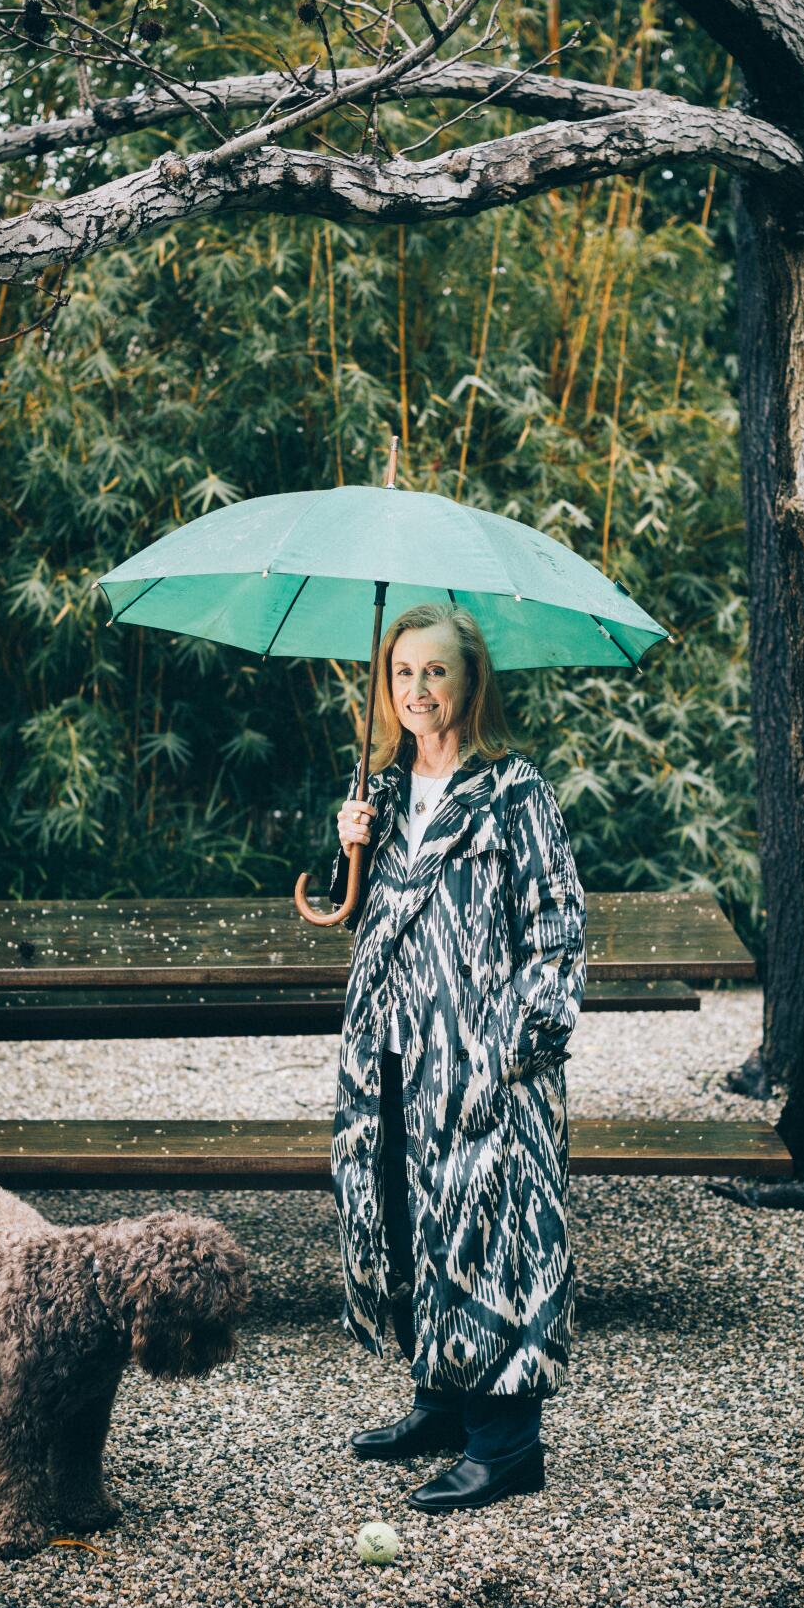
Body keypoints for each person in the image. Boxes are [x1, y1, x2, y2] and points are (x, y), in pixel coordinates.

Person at [328, 601, 587, 1513]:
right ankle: (439, 1402)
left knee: (492, 1232)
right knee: (405, 1217)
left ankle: (506, 1444)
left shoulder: (514, 789)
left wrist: (516, 1053)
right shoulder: (388, 791)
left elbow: (558, 927)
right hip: (392, 1051)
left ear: (471, 682)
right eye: (403, 673)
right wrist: (351, 852)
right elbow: (371, 920)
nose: (417, 689)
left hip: (484, 1060)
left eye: (436, 671)